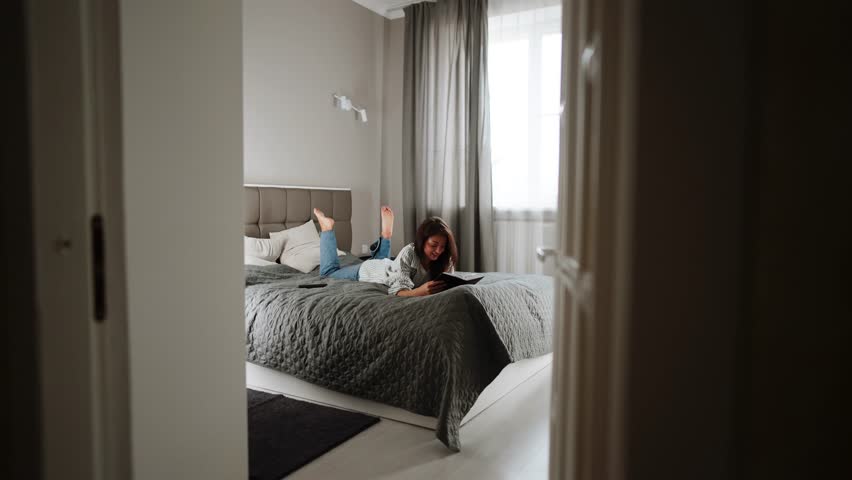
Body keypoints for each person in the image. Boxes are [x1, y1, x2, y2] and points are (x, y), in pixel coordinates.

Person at [314, 206, 458, 297]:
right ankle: (327, 229)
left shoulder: (444, 257)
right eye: (434, 245)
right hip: (369, 271)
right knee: (328, 272)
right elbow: (398, 290)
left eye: (443, 246)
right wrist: (420, 292)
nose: (439, 250)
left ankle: (386, 235)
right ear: (422, 240)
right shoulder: (410, 252)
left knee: (383, 262)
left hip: (389, 266)